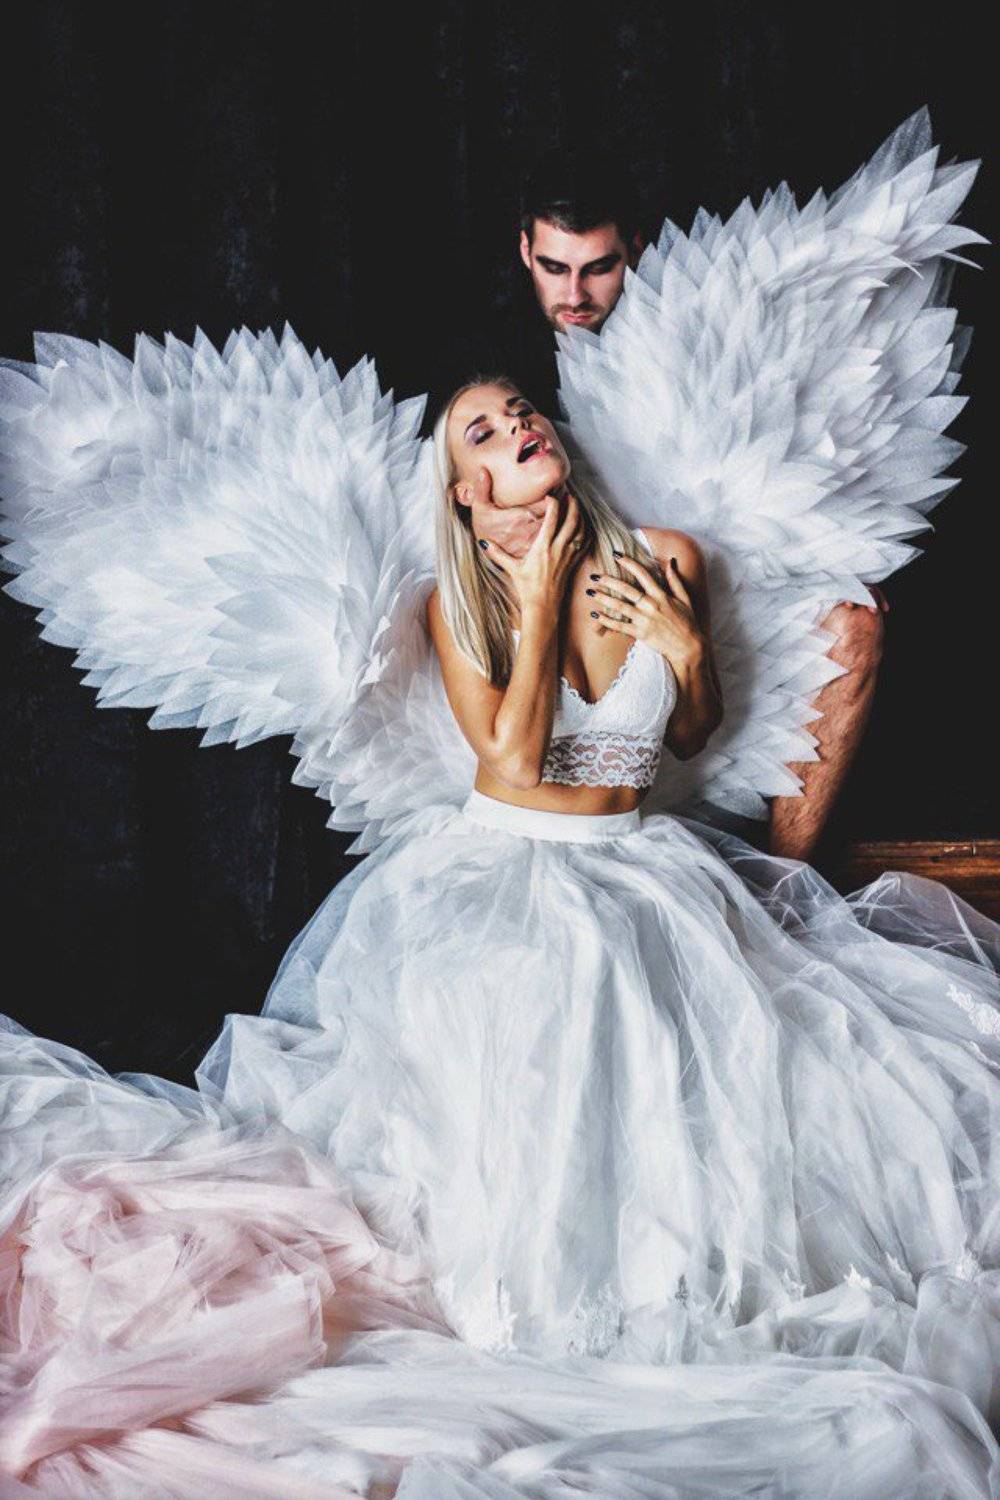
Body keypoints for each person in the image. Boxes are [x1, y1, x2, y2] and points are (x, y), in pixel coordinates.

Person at [2, 109, 997, 1496]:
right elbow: (513, 765)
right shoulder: (453, 602)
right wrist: (528, 597)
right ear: (466, 492)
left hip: (645, 854)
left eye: (520, 413)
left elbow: (686, 735)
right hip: (506, 869)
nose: (520, 424)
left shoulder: (669, 553)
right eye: (486, 432)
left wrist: (682, 639)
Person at [474, 148, 889, 866]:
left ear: (635, 251)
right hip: (569, 594)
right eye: (554, 267)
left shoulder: (689, 332)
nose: (575, 293)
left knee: (858, 620)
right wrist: (489, 519)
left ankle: (785, 891)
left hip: (707, 576)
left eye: (599, 268)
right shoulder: (495, 363)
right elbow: (455, 473)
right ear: (524, 251)